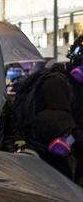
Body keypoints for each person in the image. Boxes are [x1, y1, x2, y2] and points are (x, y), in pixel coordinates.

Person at [18, 36, 83, 181]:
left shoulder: (75, 86)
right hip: (45, 154)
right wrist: (74, 135)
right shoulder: (56, 83)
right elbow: (59, 121)